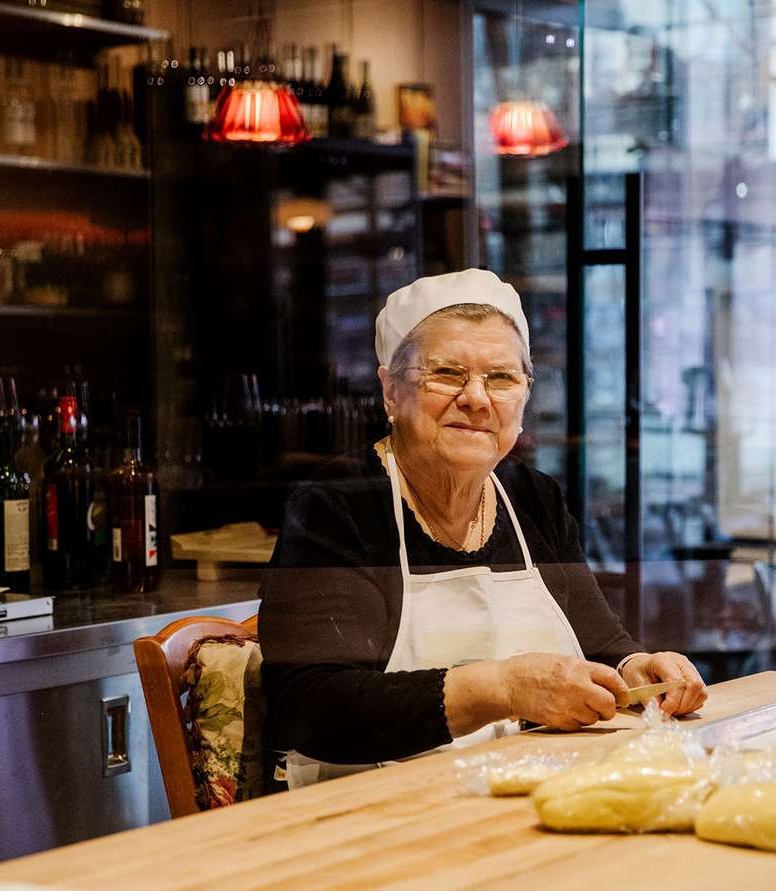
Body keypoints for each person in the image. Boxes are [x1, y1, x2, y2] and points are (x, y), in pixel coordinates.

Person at [261, 269, 707, 787]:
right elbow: (312, 708)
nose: (477, 398)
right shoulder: (337, 506)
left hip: (515, 796)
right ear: (391, 391)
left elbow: (600, 643)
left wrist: (638, 670)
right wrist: (500, 687)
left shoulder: (533, 498)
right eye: (447, 373)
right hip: (369, 815)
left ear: (523, 397)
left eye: (501, 378)